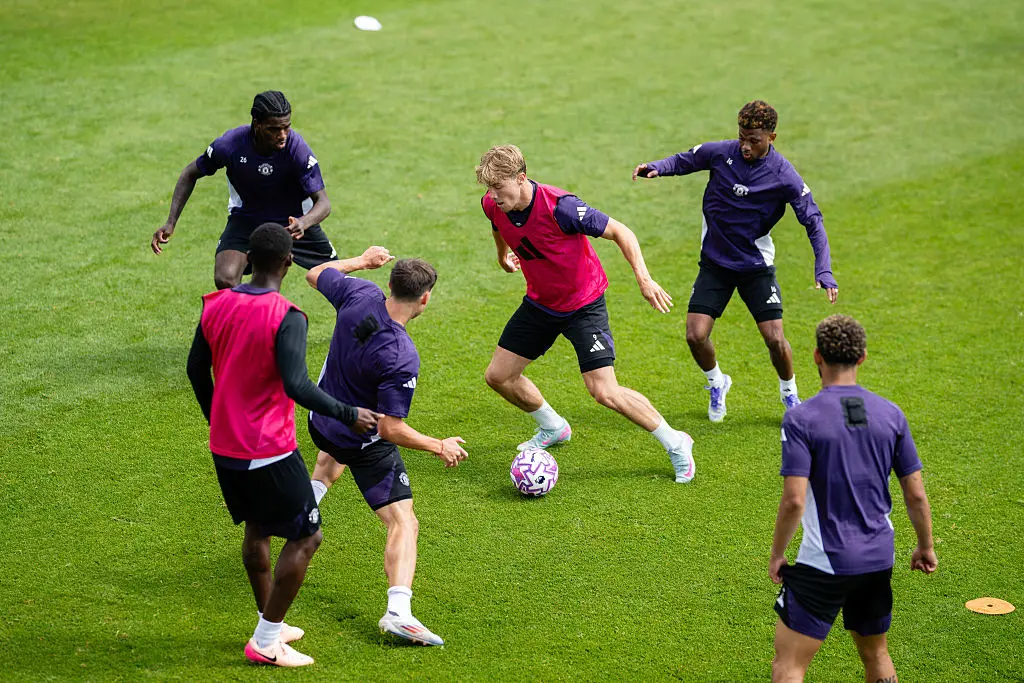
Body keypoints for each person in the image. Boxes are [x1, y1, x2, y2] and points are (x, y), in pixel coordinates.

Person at [186, 223, 379, 667]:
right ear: (289, 262)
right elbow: (296, 385)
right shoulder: (287, 315)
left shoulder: (214, 304)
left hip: (225, 445)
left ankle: (266, 619)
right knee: (308, 538)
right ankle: (266, 640)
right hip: (268, 448)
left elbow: (197, 370)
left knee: (258, 529)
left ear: (248, 261)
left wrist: (217, 417)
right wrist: (349, 412)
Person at [476, 144, 695, 483]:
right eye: (489, 189)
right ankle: (553, 427)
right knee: (499, 376)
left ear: (521, 178)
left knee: (604, 392)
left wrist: (644, 278)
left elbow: (621, 232)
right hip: (540, 303)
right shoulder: (494, 204)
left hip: (583, 304)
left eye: (499, 188)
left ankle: (676, 441)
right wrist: (502, 256)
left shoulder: (562, 208)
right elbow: (497, 225)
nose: (493, 196)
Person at [632, 100, 839, 422]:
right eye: (742, 136)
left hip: (756, 267)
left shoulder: (784, 176)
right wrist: (658, 167)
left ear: (772, 137)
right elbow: (686, 159)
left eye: (754, 140)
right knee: (695, 335)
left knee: (774, 338)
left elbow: (813, 220)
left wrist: (823, 268)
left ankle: (789, 393)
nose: (745, 145)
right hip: (715, 264)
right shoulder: (721, 153)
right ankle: (718, 382)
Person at [304, 254, 468, 646]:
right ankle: (399, 611)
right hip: (360, 439)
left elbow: (315, 273)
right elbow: (390, 428)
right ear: (424, 299)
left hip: (319, 420)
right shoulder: (400, 355)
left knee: (329, 461)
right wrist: (437, 445)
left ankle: (299, 510)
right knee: (403, 522)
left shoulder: (359, 293)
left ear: (390, 283)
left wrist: (361, 261)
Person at [768, 315, 937, 683]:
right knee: (876, 655)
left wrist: (778, 554)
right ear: (862, 358)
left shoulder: (801, 419)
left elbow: (794, 501)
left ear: (816, 357)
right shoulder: (891, 415)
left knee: (789, 666)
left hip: (823, 561)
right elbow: (917, 495)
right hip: (877, 558)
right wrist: (925, 546)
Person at [152, 90, 338, 289]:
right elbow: (190, 173)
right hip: (247, 219)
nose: (283, 135)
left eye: (286, 127)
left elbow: (324, 203)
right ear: (257, 124)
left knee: (337, 280)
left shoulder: (297, 149)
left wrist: (303, 222)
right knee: (225, 279)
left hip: (293, 224)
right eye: (274, 129)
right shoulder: (229, 145)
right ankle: (249, 317)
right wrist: (171, 222)